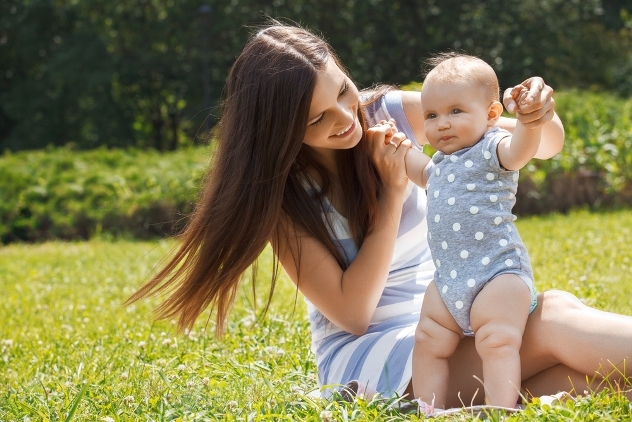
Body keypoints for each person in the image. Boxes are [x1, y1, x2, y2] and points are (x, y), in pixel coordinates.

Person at [126, 23, 632, 408]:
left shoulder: (389, 112)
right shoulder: (285, 201)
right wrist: (391, 199)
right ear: (280, 131)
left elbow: (537, 146)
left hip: (456, 319)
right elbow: (352, 312)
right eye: (318, 118)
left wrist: (539, 116)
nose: (347, 119)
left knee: (590, 374)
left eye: (343, 92)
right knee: (551, 323)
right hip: (380, 359)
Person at [391, 53, 546, 411]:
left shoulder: (493, 149)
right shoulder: (441, 164)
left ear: (492, 115)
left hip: (497, 274)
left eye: (455, 111)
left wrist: (528, 122)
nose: (442, 124)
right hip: (448, 280)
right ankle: (429, 409)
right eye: (431, 115)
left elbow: (522, 150)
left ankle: (499, 409)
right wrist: (396, 147)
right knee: (428, 339)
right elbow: (420, 171)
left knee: (496, 341)